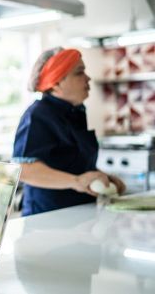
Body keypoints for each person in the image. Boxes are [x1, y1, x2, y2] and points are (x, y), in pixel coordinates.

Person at [12, 47, 126, 216]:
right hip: (47, 219)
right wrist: (77, 181)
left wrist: (103, 177)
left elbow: (71, 163)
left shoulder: (76, 112)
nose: (88, 78)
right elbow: (24, 170)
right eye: (80, 73)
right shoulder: (38, 115)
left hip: (80, 215)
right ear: (56, 82)